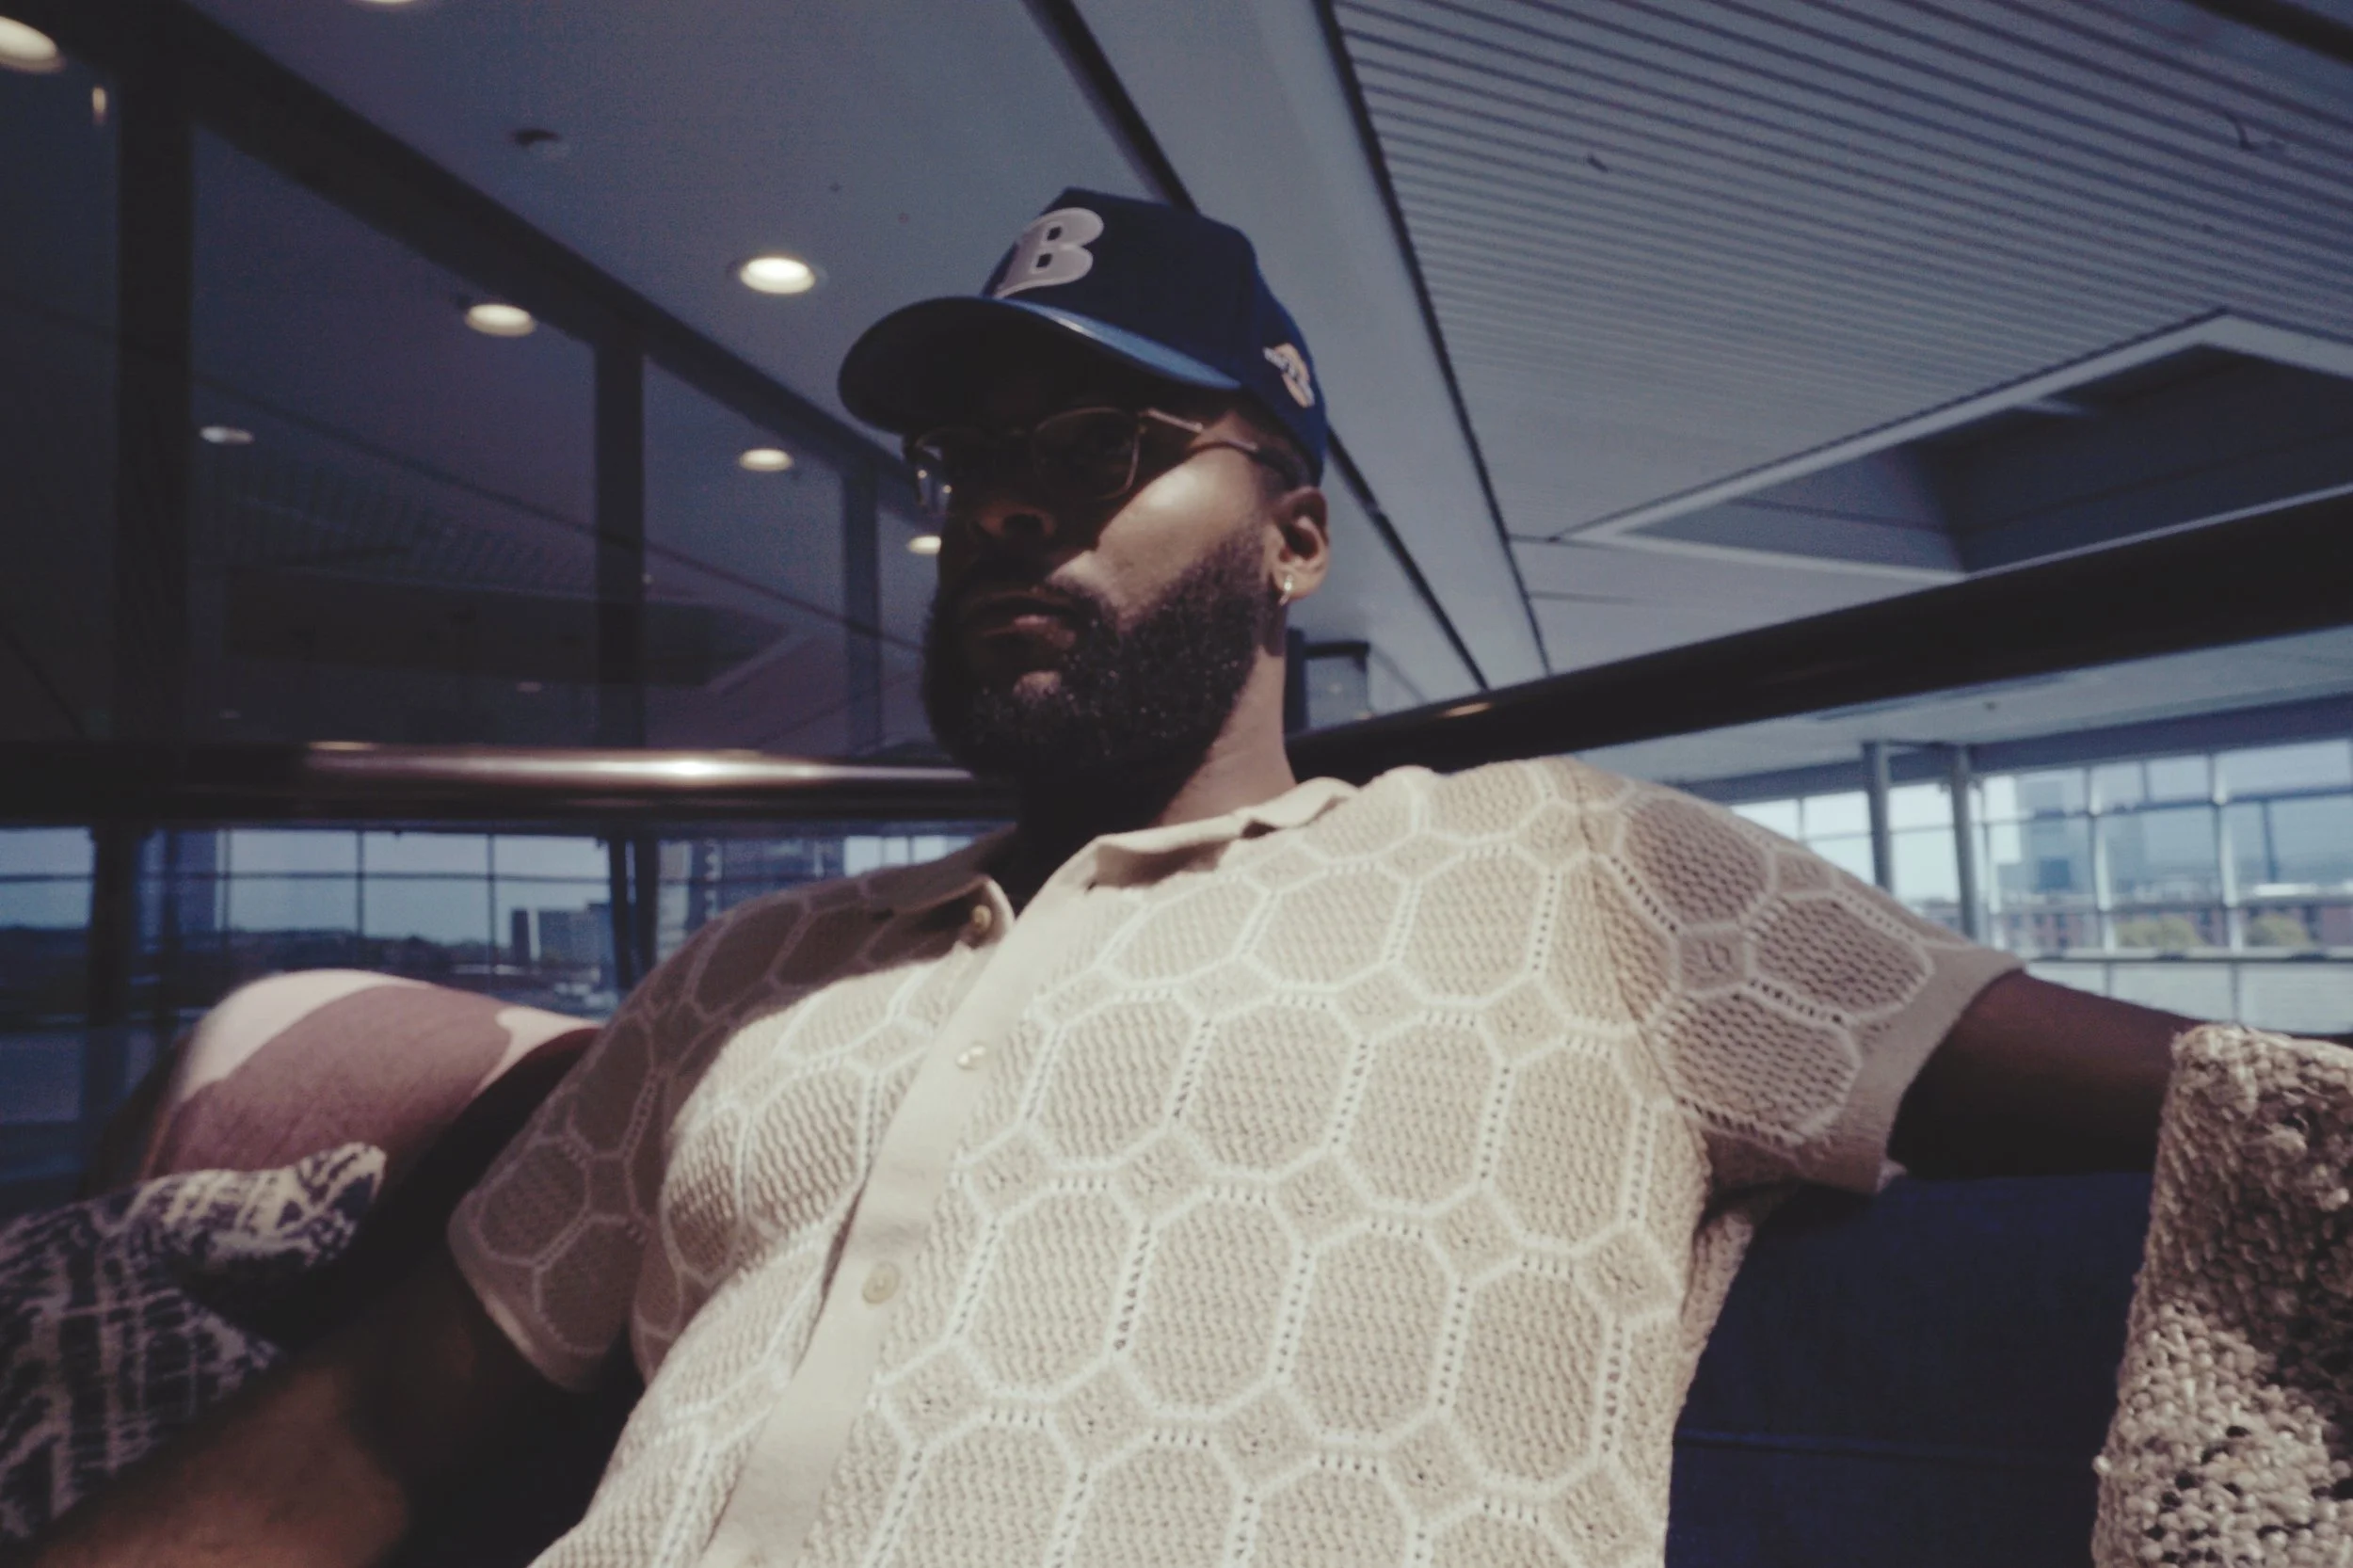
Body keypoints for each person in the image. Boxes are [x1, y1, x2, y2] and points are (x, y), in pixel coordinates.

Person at [27, 191, 2194, 1568]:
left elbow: (2232, 1111)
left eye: (1101, 455)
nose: (997, 514)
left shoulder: (1586, 877)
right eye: (974, 466)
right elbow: (376, 1428)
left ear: (1295, 534)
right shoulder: (753, 975)